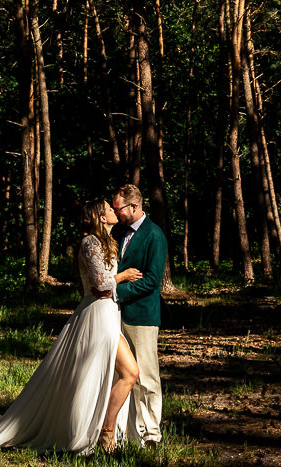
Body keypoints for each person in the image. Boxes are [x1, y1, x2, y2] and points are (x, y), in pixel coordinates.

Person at [0, 199, 140, 454]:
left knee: (123, 373)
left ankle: (105, 429)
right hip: (98, 316)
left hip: (109, 313)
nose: (113, 211)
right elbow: (100, 284)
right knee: (124, 373)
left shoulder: (107, 243)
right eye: (109, 209)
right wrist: (123, 276)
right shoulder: (90, 242)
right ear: (101, 217)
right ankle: (104, 433)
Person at [111, 183, 167, 448]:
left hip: (143, 316)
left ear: (133, 207)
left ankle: (152, 434)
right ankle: (131, 431)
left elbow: (153, 281)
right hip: (118, 316)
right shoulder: (119, 231)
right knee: (126, 374)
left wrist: (118, 291)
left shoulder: (154, 235)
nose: (115, 212)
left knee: (147, 376)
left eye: (118, 208)